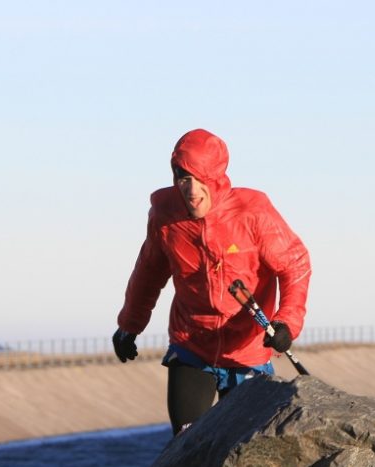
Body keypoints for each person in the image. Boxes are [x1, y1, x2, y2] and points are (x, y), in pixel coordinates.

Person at [112, 129, 311, 435]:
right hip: (192, 345)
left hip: (247, 352)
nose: (190, 190)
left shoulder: (252, 213)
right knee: (185, 447)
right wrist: (130, 324)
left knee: (240, 454)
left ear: (216, 177)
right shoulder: (166, 216)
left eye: (198, 179)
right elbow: (149, 271)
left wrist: (286, 323)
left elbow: (295, 265)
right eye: (182, 178)